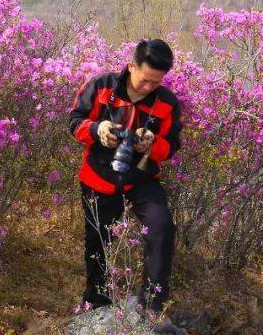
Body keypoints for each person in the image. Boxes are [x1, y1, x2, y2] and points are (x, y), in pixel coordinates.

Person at [68, 39, 183, 313]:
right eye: (145, 80)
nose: (149, 87)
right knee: (98, 241)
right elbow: (75, 122)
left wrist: (152, 145)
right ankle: (97, 302)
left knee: (162, 227)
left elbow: (172, 146)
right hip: (99, 177)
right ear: (131, 65)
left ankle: (153, 305)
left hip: (142, 178)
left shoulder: (167, 103)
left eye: (157, 82)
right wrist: (99, 130)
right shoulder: (101, 86)